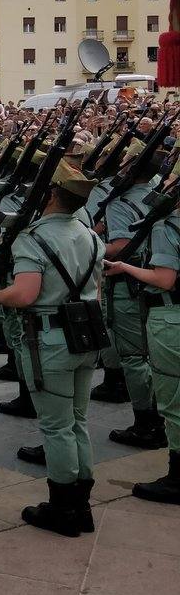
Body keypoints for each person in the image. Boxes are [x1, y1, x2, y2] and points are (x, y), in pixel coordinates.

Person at [0, 159, 106, 534]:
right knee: (77, 421)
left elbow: (25, 294)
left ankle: (63, 506)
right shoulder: (89, 235)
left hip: (49, 339)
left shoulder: (33, 237)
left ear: (51, 194)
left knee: (56, 427)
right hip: (85, 333)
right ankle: (80, 504)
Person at [104, 158, 180, 505]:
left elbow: (164, 278)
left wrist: (126, 268)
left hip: (169, 313)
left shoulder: (167, 225)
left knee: (172, 397)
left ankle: (176, 472)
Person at [98, 142, 167, 449]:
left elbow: (122, 245)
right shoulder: (158, 193)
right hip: (154, 279)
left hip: (129, 282)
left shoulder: (120, 203)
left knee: (134, 357)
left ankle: (146, 422)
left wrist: (89, 245)